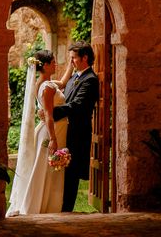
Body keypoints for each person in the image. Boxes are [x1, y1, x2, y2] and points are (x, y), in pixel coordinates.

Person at [6, 49, 74, 216]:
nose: (55, 64)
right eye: (52, 62)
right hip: (52, 130)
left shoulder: (44, 83)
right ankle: (39, 205)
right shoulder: (48, 88)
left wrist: (71, 66)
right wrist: (53, 139)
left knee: (45, 168)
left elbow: (64, 82)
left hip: (51, 129)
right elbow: (49, 116)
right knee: (45, 169)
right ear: (45, 65)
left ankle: (44, 203)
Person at [52, 41, 100, 212]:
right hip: (66, 131)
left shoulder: (91, 80)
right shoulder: (74, 77)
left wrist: (52, 112)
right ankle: (59, 207)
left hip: (77, 134)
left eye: (73, 58)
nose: (71, 62)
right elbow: (65, 97)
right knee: (62, 173)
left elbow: (78, 105)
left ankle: (66, 211)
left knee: (71, 175)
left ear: (84, 58)